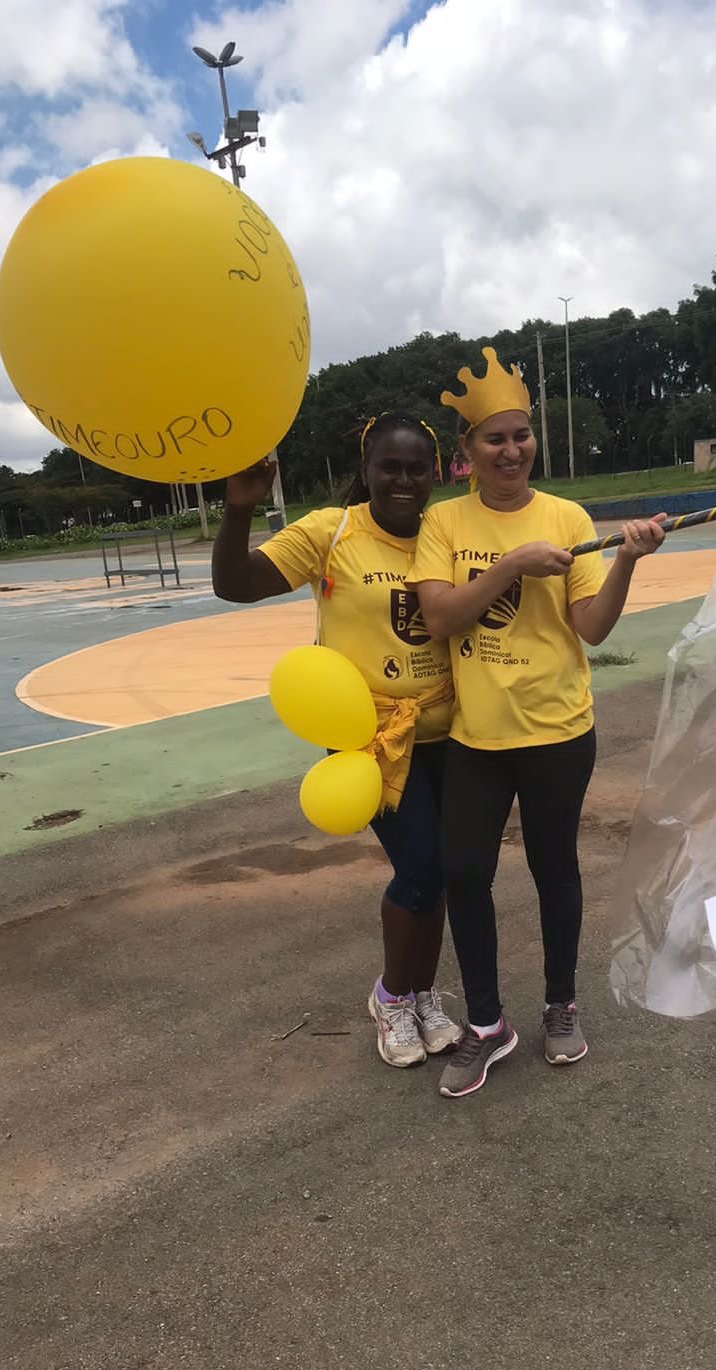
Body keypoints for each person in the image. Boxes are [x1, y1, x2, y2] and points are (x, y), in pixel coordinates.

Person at [412, 348, 665, 1099]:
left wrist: (626, 562)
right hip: (477, 738)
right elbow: (439, 618)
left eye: (520, 435)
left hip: (558, 731)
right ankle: (487, 1023)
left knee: (555, 869)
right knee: (464, 871)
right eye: (494, 438)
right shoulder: (443, 521)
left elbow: (592, 628)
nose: (511, 450)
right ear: (467, 451)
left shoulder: (568, 517)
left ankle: (561, 1004)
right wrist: (511, 565)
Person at [212, 417, 462, 1069]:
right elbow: (235, 583)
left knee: (442, 873)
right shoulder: (333, 532)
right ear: (366, 469)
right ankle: (391, 997)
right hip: (369, 741)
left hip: (451, 732)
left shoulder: (448, 533)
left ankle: (424, 993)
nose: (404, 480)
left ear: (435, 473)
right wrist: (238, 509)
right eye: (390, 467)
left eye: (417, 468)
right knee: (419, 867)